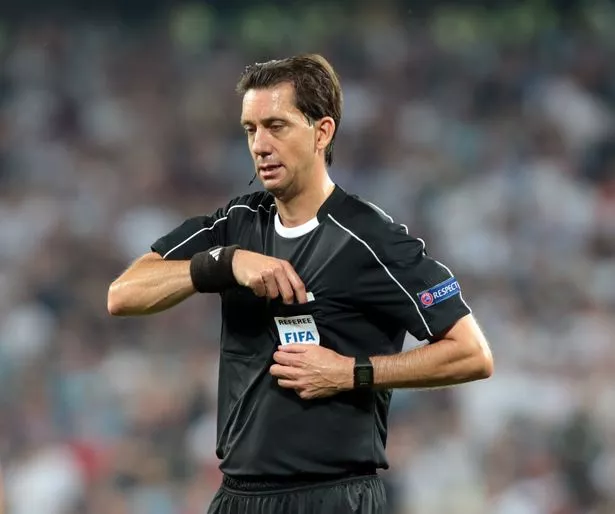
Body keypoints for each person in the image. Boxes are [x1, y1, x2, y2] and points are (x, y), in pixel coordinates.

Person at [107, 53, 494, 514]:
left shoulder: (370, 239)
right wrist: (226, 263)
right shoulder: (237, 224)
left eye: (277, 125)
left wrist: (351, 372)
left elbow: (473, 353)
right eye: (251, 129)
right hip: (238, 497)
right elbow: (122, 294)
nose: (260, 145)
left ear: (322, 131)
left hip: (332, 496)